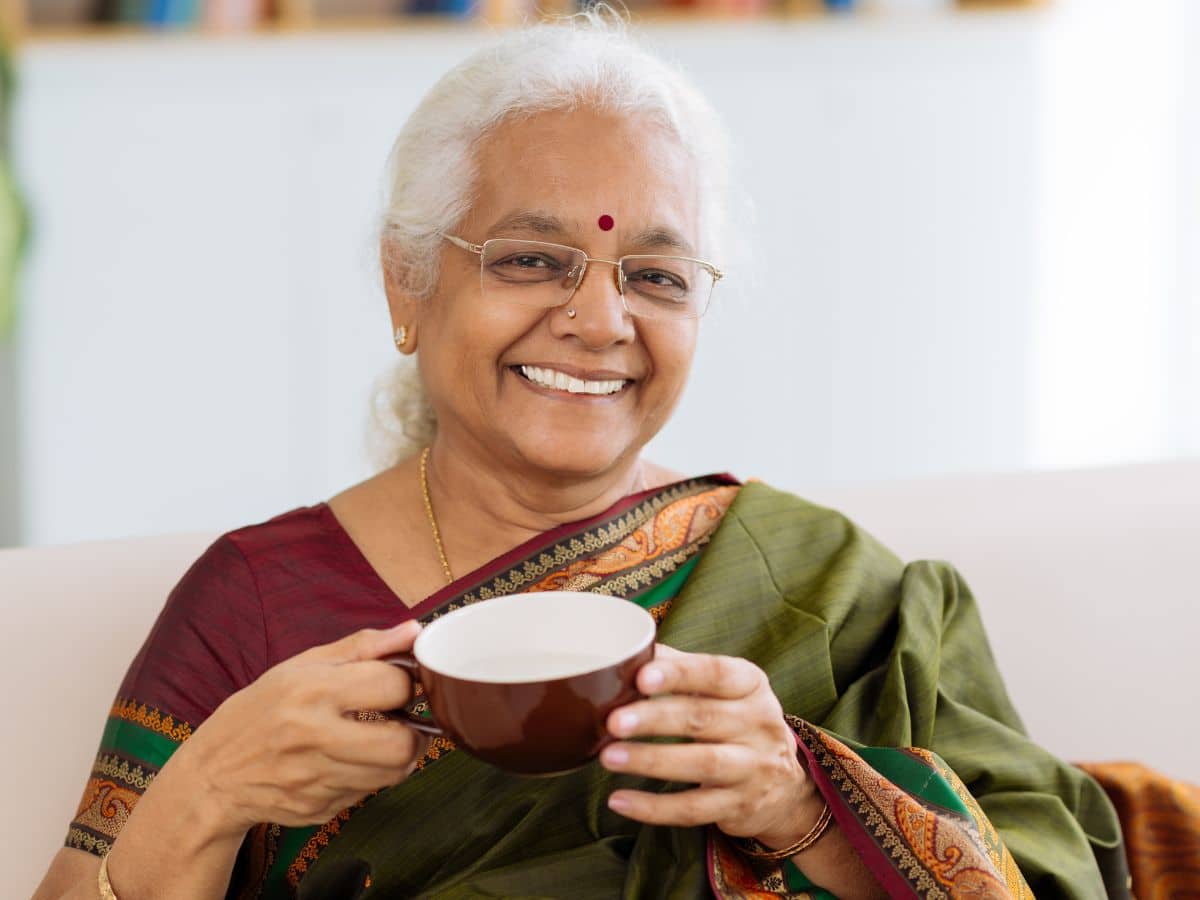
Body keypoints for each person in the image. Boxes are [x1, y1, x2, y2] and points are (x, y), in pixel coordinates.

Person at [34, 11, 1128, 899]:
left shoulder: (824, 589)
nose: (600, 320)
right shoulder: (257, 605)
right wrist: (208, 794)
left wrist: (803, 809)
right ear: (406, 283)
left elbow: (1049, 871)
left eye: (655, 276)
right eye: (531, 259)